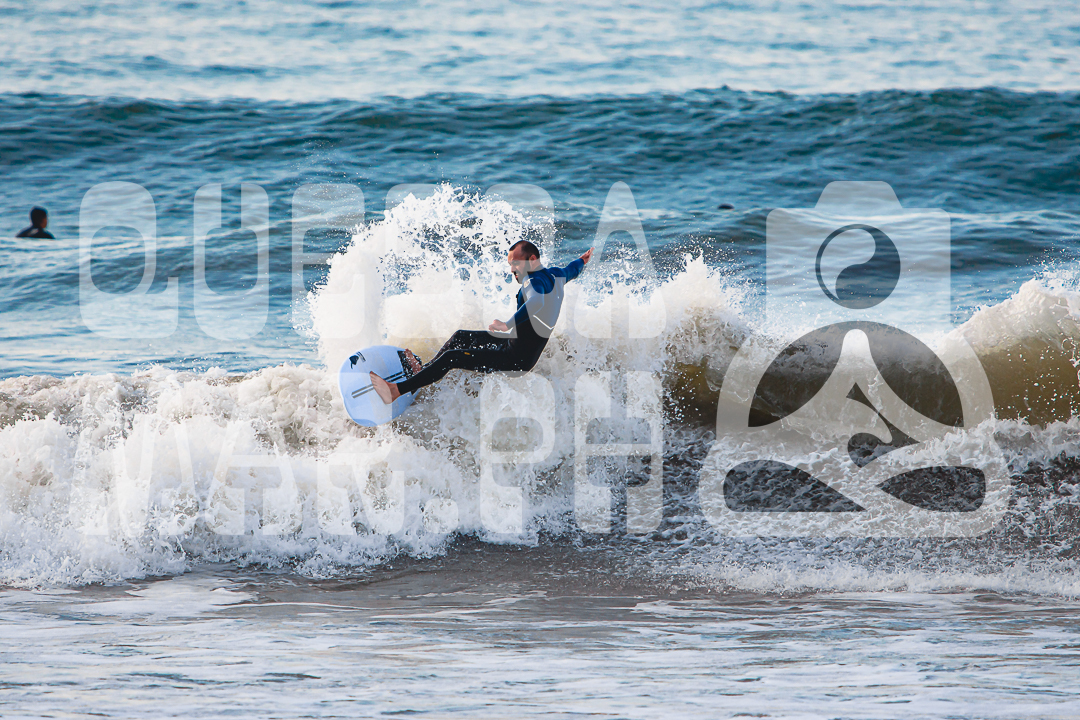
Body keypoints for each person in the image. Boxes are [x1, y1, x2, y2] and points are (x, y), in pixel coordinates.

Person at [370, 240, 593, 403]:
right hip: (513, 344)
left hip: (515, 359)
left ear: (532, 260)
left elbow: (536, 302)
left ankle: (396, 391)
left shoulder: (532, 282)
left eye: (516, 264)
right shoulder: (557, 275)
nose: (512, 270)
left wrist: (507, 324)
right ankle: (423, 372)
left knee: (451, 357)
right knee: (460, 336)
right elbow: (573, 269)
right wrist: (582, 260)